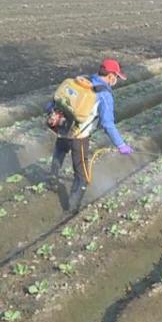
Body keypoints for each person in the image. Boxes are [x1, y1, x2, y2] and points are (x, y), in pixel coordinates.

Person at [49, 58, 133, 211]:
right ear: (111, 76)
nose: (116, 81)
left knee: (60, 150)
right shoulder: (104, 94)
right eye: (117, 77)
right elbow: (108, 124)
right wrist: (121, 145)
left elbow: (57, 99)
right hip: (79, 136)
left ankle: (52, 177)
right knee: (82, 176)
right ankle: (71, 209)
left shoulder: (84, 80)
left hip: (62, 127)